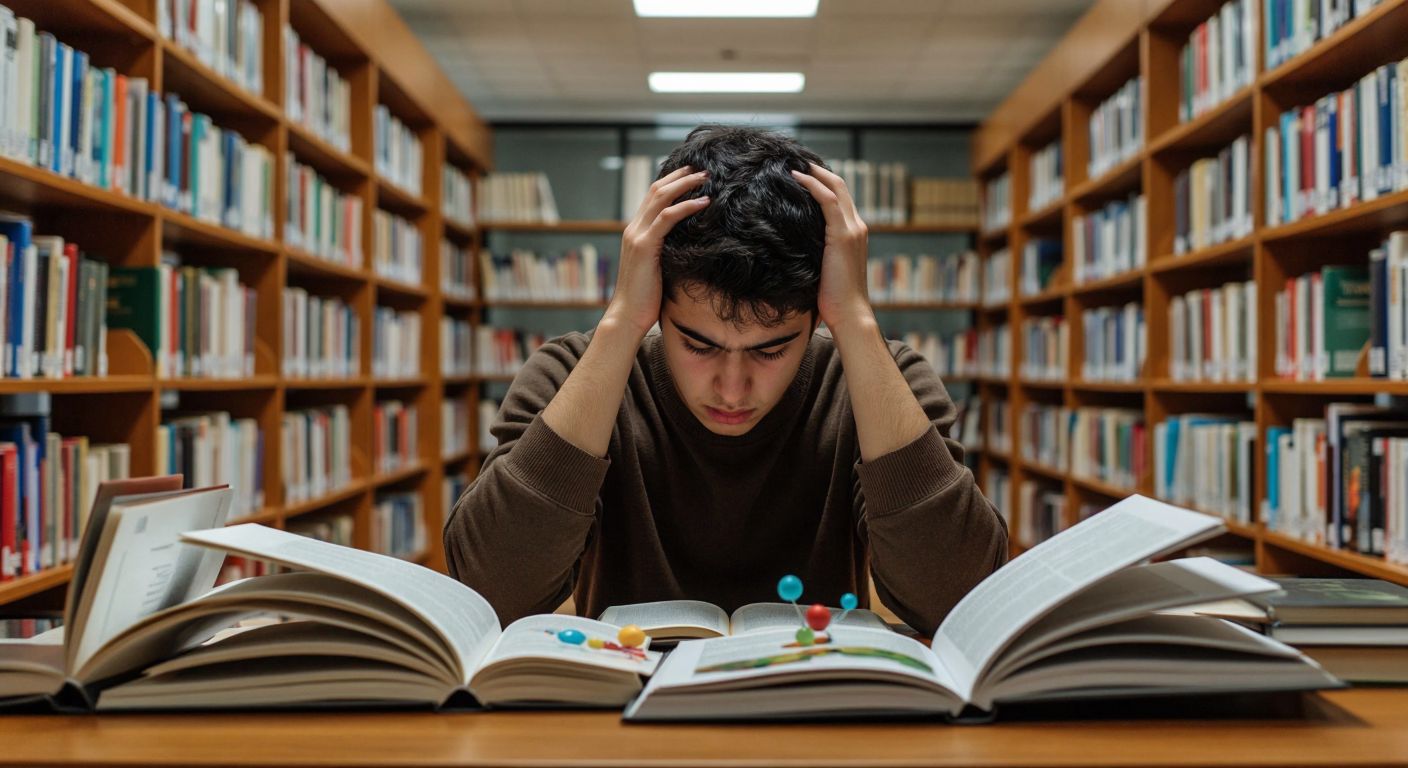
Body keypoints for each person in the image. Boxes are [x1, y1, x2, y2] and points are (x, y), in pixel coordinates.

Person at [444, 125, 1007, 636]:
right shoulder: (571, 374)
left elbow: (959, 598)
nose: (733, 389)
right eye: (698, 344)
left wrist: (857, 321)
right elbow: (494, 593)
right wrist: (619, 323)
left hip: (822, 705)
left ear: (817, 316)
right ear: (657, 308)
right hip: (618, 722)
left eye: (772, 349)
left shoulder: (885, 380)